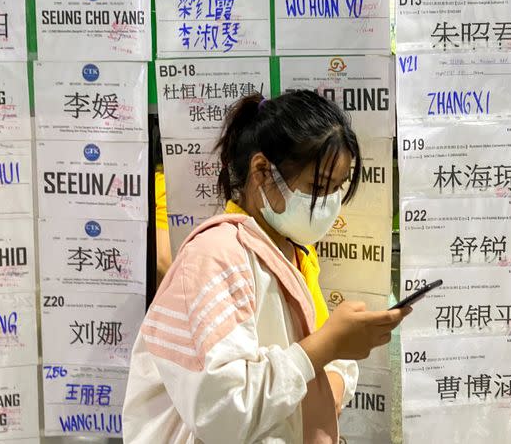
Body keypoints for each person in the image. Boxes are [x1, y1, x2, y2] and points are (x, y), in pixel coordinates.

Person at [123, 91, 409, 443]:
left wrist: (335, 372)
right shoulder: (215, 256)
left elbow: (315, 352)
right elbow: (222, 411)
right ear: (262, 172)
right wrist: (328, 347)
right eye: (318, 187)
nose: (329, 205)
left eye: (337, 189)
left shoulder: (292, 253)